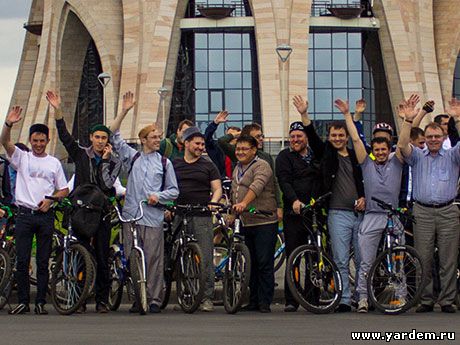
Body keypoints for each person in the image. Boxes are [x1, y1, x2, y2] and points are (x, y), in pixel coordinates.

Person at [46, 91, 122, 313]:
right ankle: (78, 298)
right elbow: (64, 136)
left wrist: (105, 162)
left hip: (101, 212)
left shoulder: (113, 161)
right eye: (97, 137)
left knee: (101, 255)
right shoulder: (81, 155)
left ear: (108, 141)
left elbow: (106, 185)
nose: (100, 141)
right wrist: (58, 110)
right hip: (80, 211)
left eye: (104, 138)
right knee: (80, 254)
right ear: (91, 138)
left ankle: (101, 300)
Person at [110, 91, 179, 313]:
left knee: (153, 260)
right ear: (143, 140)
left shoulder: (165, 163)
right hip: (131, 215)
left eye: (159, 137)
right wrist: (124, 110)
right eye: (154, 137)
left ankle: (154, 299)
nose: (158, 140)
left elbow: (174, 190)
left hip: (153, 217)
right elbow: (113, 135)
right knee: (133, 258)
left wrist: (158, 196)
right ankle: (137, 297)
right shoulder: (134, 157)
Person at [335, 98, 405, 313]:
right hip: (372, 215)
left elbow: (403, 143)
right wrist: (348, 115)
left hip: (392, 216)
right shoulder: (366, 163)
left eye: (384, 149)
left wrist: (407, 120)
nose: (381, 152)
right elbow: (356, 141)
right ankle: (363, 297)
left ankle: (401, 296)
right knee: (366, 261)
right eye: (377, 150)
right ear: (373, 150)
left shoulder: (396, 161)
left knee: (399, 258)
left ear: (389, 149)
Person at [1, 106, 68, 315]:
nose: (38, 144)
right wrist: (9, 124)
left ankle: (40, 302)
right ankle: (23, 301)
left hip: (44, 216)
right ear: (30, 141)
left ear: (47, 141)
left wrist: (51, 200)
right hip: (25, 215)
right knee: (22, 260)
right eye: (35, 141)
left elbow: (64, 189)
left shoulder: (54, 163)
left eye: (42, 141)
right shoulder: (23, 158)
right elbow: (5, 142)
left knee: (42, 261)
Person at [398, 98, 460, 313]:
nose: (433, 140)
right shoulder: (417, 156)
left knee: (448, 259)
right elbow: (402, 144)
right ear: (425, 138)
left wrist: (458, 119)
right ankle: (425, 299)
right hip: (422, 211)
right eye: (430, 137)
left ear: (443, 138)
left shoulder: (453, 156)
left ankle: (447, 300)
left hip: (448, 210)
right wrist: (409, 120)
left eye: (437, 137)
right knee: (422, 257)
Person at [275, 95, 325, 312]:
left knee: (316, 254)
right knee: (294, 254)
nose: (295, 139)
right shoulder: (285, 156)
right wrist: (294, 200)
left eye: (299, 136)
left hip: (315, 212)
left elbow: (315, 138)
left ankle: (313, 295)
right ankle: (291, 298)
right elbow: (284, 181)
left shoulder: (317, 154)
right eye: (292, 136)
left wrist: (304, 115)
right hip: (294, 212)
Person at [172, 126, 222, 312]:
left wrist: (213, 202)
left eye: (202, 144)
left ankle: (206, 298)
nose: (201, 147)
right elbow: (167, 186)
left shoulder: (208, 165)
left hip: (201, 214)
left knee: (205, 256)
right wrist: (169, 205)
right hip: (180, 213)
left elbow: (217, 188)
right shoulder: (175, 164)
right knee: (180, 257)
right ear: (186, 143)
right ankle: (186, 294)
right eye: (197, 143)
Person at [320, 121, 365, 312]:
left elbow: (367, 178)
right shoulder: (327, 155)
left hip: (361, 214)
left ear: (347, 137)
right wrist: (304, 115)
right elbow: (312, 138)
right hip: (337, 213)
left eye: (341, 135)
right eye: (334, 135)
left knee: (363, 259)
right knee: (341, 259)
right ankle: (344, 298)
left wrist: (364, 197)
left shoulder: (357, 156)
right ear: (329, 137)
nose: (337, 139)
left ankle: (362, 297)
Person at [232, 136, 278, 313]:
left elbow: (257, 186)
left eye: (244, 149)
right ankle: (253, 300)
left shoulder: (262, 166)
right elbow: (234, 191)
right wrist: (232, 213)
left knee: (264, 261)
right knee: (250, 262)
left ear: (254, 150)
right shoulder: (238, 167)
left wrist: (244, 203)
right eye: (238, 149)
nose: (240, 152)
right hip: (245, 222)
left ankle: (265, 301)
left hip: (264, 220)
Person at [218, 122, 283, 221]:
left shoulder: (266, 157)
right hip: (242, 211)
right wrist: (236, 135)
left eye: (261, 136)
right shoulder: (239, 153)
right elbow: (221, 141)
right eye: (257, 137)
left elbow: (274, 182)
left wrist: (279, 206)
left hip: (263, 209)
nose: (261, 139)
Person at [204, 110, 240, 178]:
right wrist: (214, 123)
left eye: (234, 136)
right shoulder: (218, 148)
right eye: (229, 135)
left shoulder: (241, 151)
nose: (230, 138)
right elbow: (207, 140)